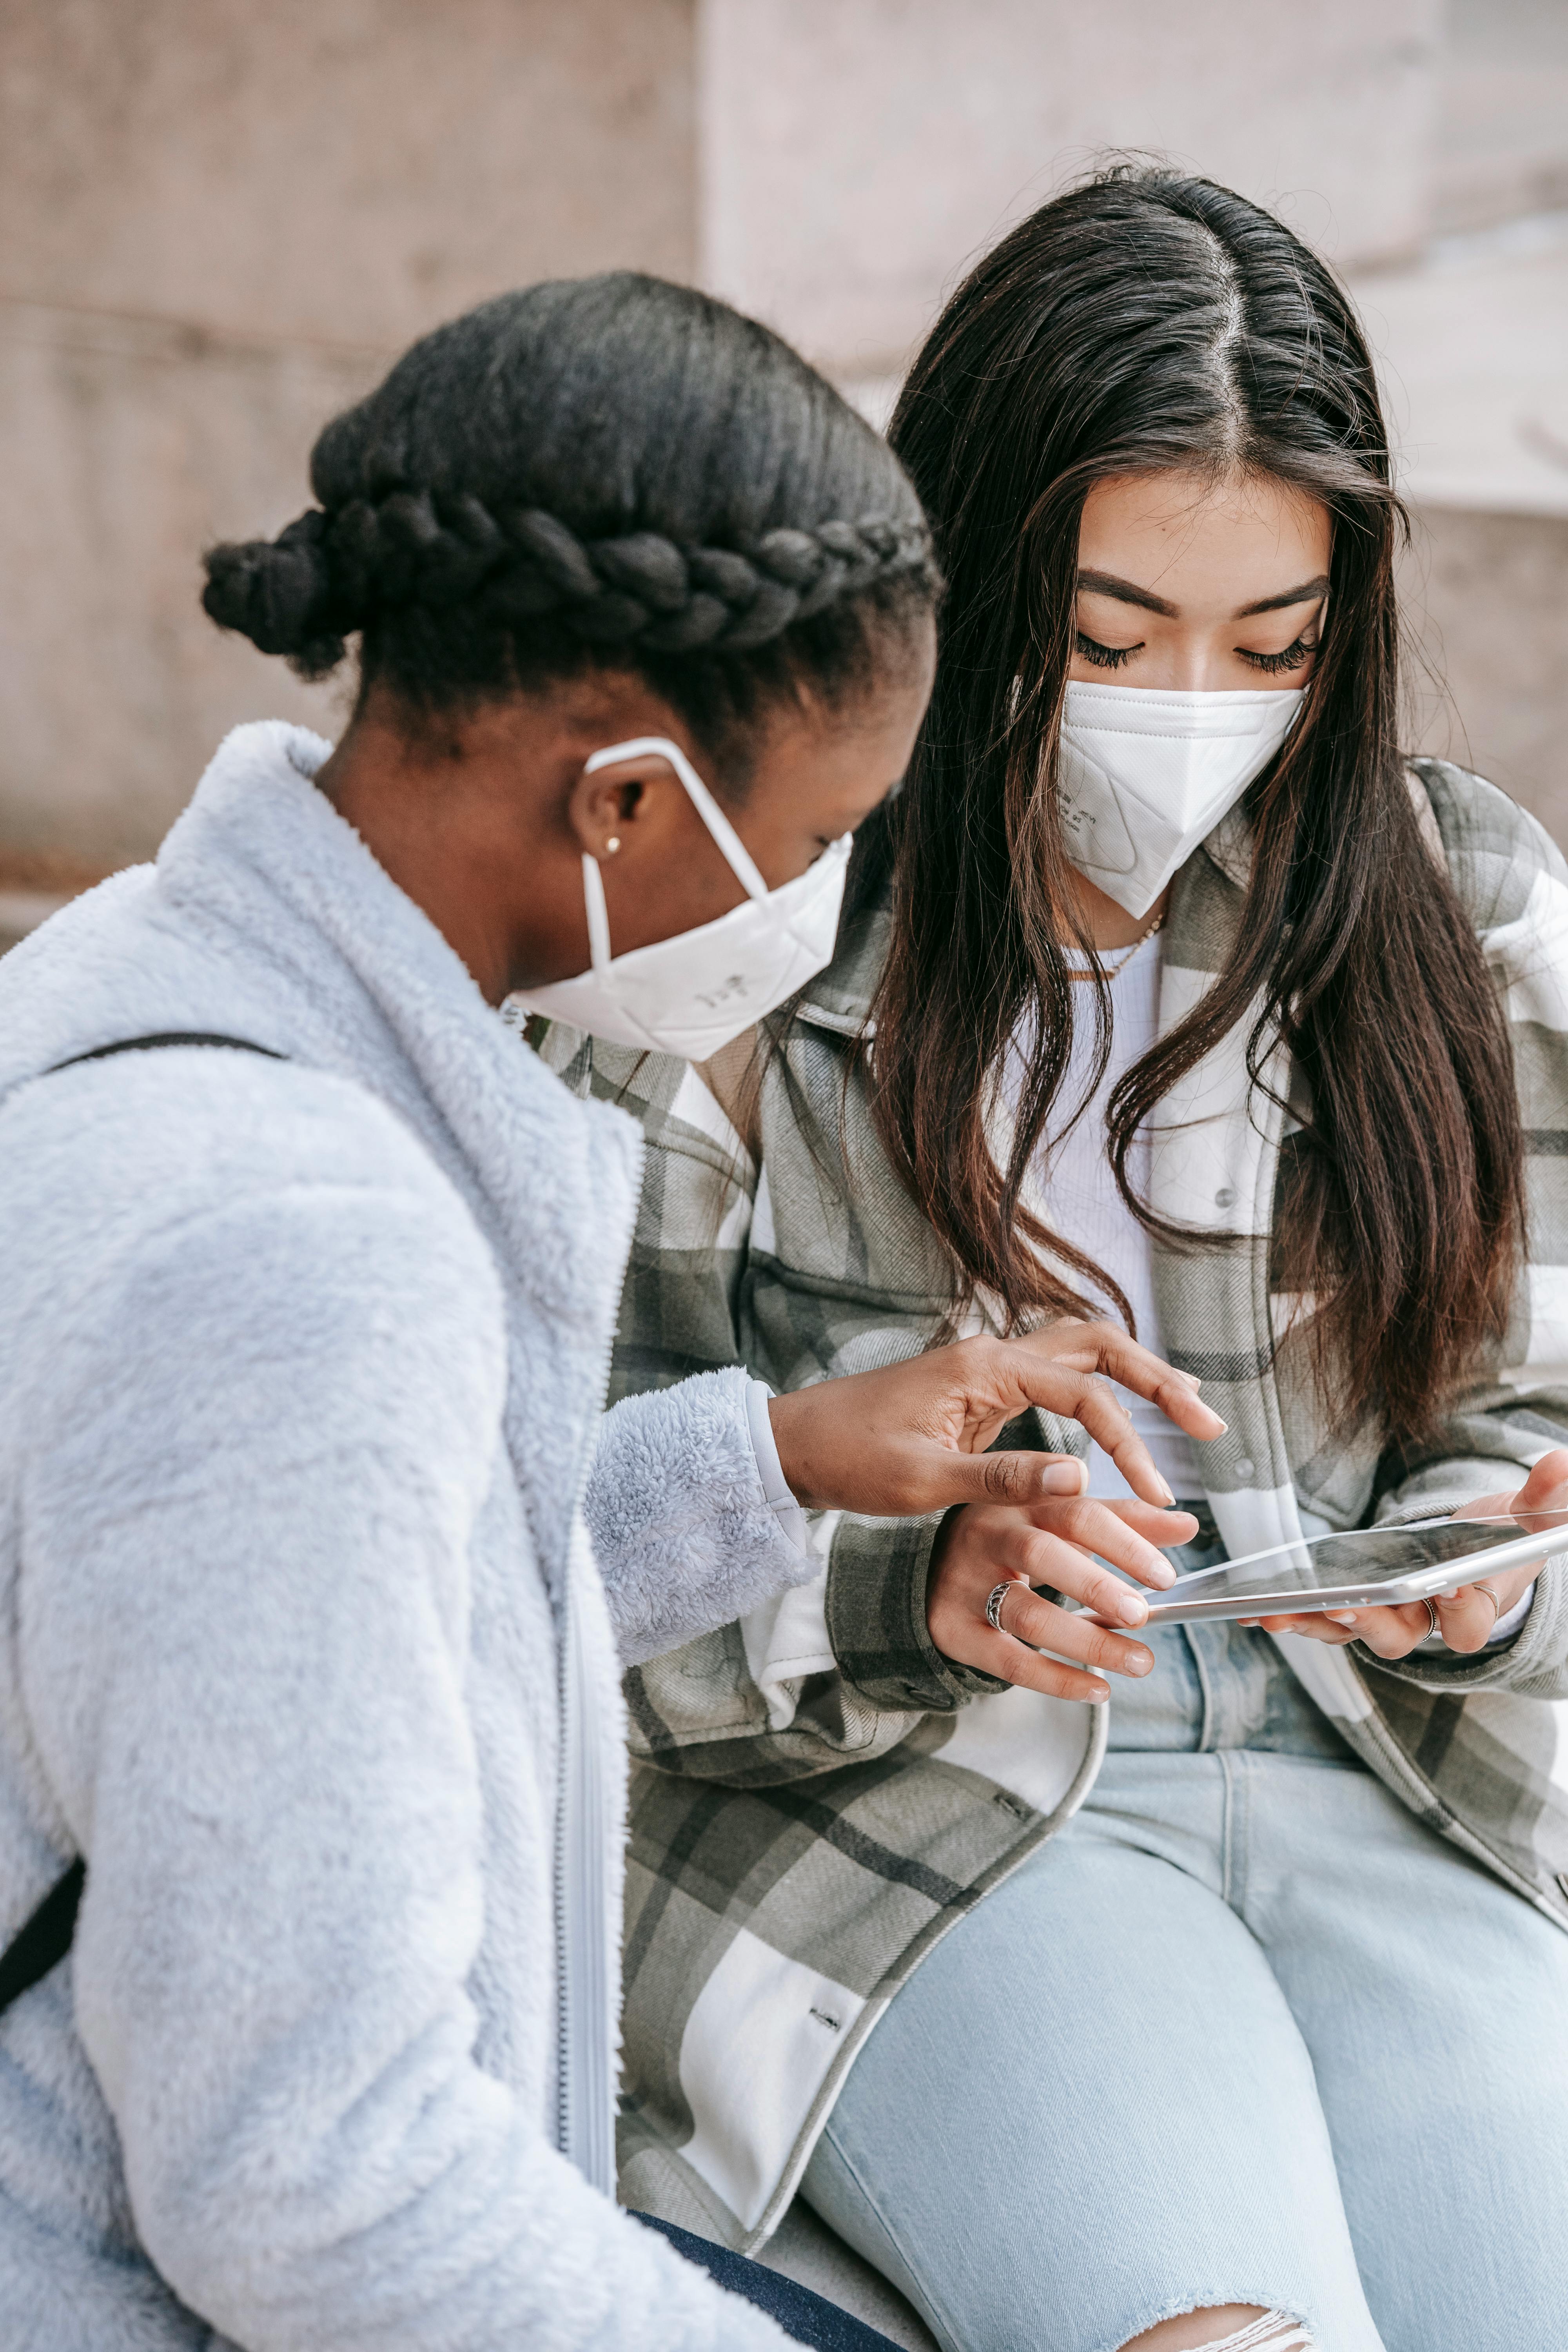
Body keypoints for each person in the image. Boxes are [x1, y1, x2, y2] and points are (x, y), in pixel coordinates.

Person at [0, 272, 1222, 2352]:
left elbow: (298, 1612)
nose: (821, 908)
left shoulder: (115, 979)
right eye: (825, 839)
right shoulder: (310, 1252)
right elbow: (321, 2191)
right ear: (627, 801)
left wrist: (778, 1458)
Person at [540, 177, 1568, 2352]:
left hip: (1388, 1767)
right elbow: (571, 1554)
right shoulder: (748, 947)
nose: (1190, 710)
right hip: (920, 1803)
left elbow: (1521, 1408)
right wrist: (917, 1592)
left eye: (1273, 649)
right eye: (1108, 641)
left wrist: (1488, 1565)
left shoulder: (1454, 900)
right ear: (971, 567)